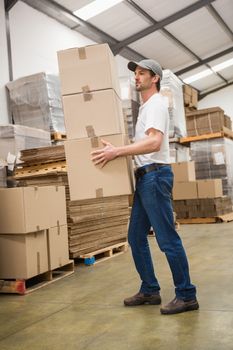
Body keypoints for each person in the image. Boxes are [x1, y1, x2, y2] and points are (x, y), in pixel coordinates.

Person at [91, 59, 198, 315]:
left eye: (142, 73)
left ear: (155, 78)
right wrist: (118, 148)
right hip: (145, 179)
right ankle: (150, 289)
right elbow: (144, 143)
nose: (136, 77)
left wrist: (118, 152)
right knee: (136, 237)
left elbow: (153, 143)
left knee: (167, 239)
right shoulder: (147, 107)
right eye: (135, 74)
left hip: (155, 177)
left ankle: (186, 295)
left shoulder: (157, 104)